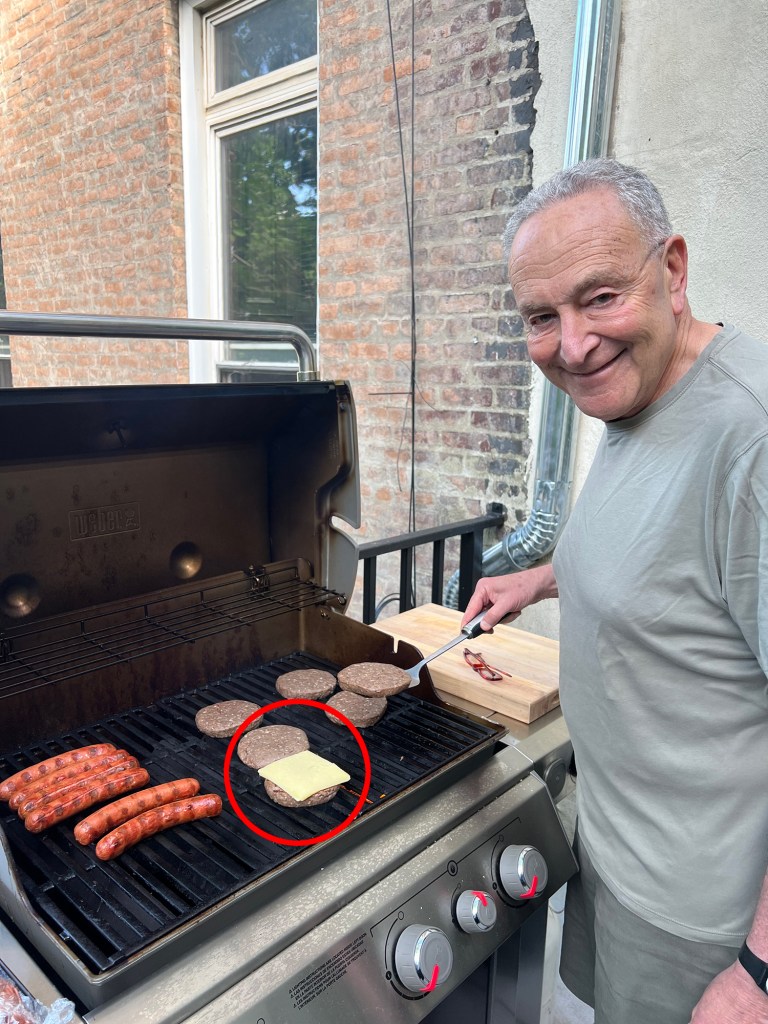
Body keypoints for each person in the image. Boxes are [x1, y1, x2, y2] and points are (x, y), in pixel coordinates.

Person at [461, 158, 768, 1024]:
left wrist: (757, 975)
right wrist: (549, 575)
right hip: (623, 859)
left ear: (672, 270)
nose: (573, 344)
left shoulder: (751, 437)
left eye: (600, 298)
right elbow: (677, 553)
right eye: (540, 318)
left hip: (707, 928)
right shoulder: (637, 392)